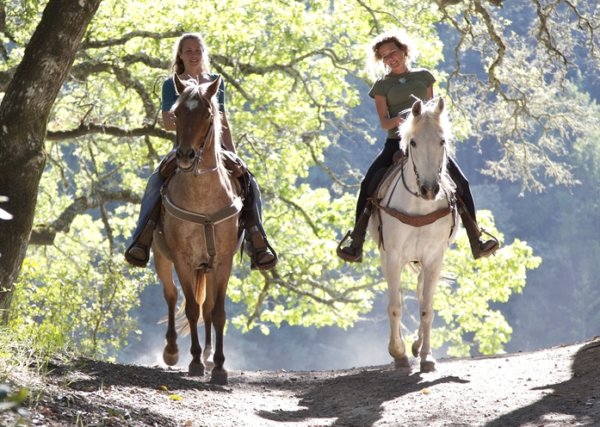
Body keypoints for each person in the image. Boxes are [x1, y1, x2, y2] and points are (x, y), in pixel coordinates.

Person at [337, 29, 498, 262]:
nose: (390, 58)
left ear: (403, 51)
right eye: (384, 56)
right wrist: (406, 120)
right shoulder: (381, 86)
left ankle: (477, 238)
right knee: (367, 183)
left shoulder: (424, 76)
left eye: (393, 51)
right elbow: (384, 123)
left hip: (426, 142)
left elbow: (432, 111)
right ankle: (357, 240)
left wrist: (425, 123)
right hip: (397, 143)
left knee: (462, 182)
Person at [125, 33, 277, 270]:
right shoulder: (171, 84)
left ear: (204, 53)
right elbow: (167, 123)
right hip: (184, 147)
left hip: (215, 148)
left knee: (250, 182)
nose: (194, 55)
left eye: (198, 50)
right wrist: (188, 116)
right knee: (155, 181)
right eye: (188, 51)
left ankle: (257, 240)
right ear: (181, 55)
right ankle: (141, 239)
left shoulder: (216, 81)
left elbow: (223, 120)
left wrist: (235, 155)